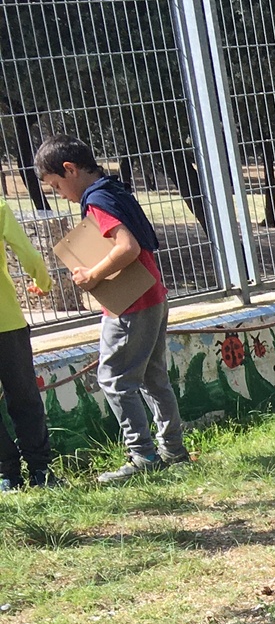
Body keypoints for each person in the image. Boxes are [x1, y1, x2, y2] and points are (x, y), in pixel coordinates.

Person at [34, 137, 188, 482]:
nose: (59, 193)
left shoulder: (97, 200)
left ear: (70, 170)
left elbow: (127, 248)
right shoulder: (114, 190)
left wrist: (92, 275)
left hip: (131, 303)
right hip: (152, 295)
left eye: (56, 185)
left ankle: (143, 455)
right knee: (153, 378)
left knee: (114, 380)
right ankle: (173, 451)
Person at [0, 204, 55, 492]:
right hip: (7, 321)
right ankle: (40, 469)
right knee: (24, 397)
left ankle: (6, 474)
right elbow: (28, 254)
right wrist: (42, 282)